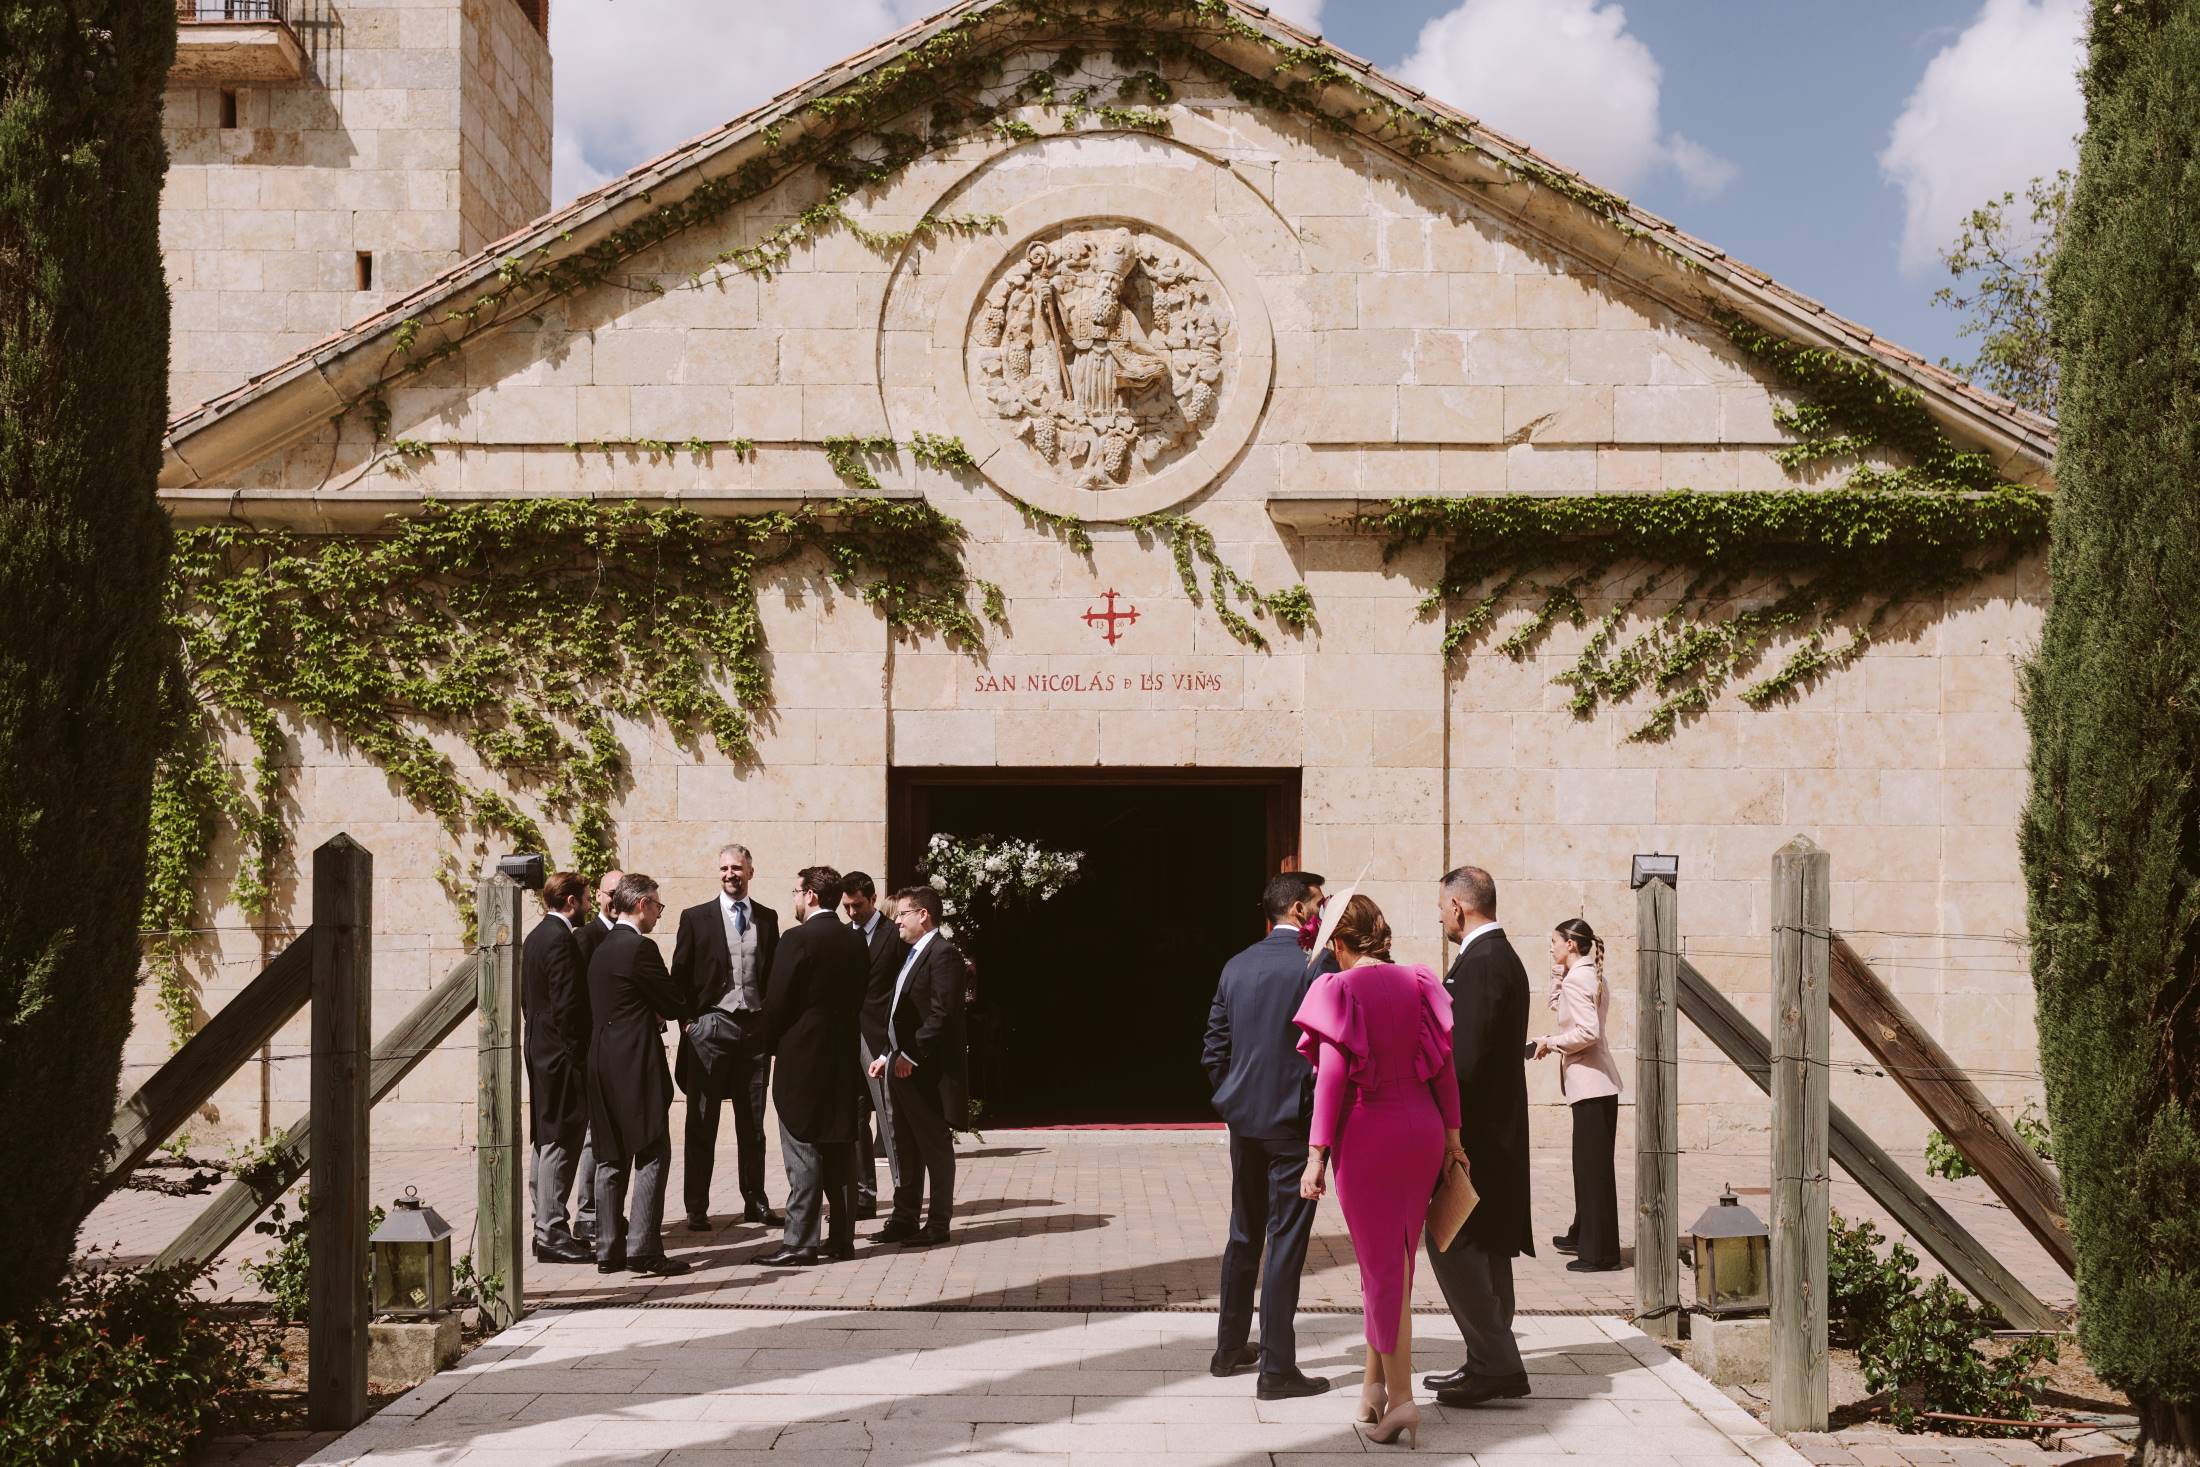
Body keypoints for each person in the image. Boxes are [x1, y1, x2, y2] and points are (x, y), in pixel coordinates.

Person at [1294, 895, 1462, 1449]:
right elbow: (1444, 1069)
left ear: (1339, 943)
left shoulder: (1338, 989)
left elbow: (1333, 1077)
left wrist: (1317, 1153)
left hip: (1370, 1134)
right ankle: (1372, 1388)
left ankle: (1403, 1401)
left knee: (1383, 1269)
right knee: (1393, 1266)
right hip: (1424, 1129)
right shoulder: (1418, 981)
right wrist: (1454, 1141)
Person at [1200, 871, 1333, 1401]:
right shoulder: (1314, 965)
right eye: (1319, 905)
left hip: (1245, 1121)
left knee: (1243, 1232)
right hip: (1294, 1123)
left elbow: (1214, 1045)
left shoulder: (1237, 964)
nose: (1323, 915)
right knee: (1285, 1242)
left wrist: (1231, 1094)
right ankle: (1276, 1368)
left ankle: (1230, 1345)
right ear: (1299, 910)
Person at [1424, 865, 1534, 1407]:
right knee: (1487, 1246)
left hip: (1479, 1136)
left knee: (1452, 1241)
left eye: (1442, 906)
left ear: (1460, 907)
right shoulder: (1499, 957)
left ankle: (1495, 1362)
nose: (1440, 915)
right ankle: (1488, 1360)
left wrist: (1449, 1136)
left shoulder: (1484, 964)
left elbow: (1461, 1062)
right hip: (1496, 1132)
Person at [758, 865, 869, 1266]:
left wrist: (767, 1045)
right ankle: (842, 1238)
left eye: (795, 891)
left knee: (802, 1148)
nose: (793, 899)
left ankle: (800, 1241)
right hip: (841, 1055)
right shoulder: (855, 941)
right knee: (839, 1148)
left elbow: (777, 1002)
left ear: (810, 896)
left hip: (802, 1058)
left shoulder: (797, 939)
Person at [584, 872, 692, 1276]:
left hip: (600, 1060)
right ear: (642, 903)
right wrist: (661, 1006)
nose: (658, 915)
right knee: (651, 1152)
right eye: (658, 906)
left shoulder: (602, 947)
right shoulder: (639, 948)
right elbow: (673, 1000)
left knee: (610, 1155)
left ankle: (608, 1249)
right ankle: (643, 1248)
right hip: (633, 1062)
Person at [669, 843, 780, 1230]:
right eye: (724, 868)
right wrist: (688, 1023)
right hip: (711, 1029)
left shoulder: (767, 918)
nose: (730, 874)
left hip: (753, 1030)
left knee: (752, 1122)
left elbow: (771, 977)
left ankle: (756, 1200)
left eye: (737, 868)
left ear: (751, 871)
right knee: (702, 1121)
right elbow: (678, 975)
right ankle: (696, 1206)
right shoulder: (695, 918)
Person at [874, 884, 968, 1247]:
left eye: (903, 914)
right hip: (901, 1066)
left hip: (925, 1072)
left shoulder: (943, 955)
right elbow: (900, 1011)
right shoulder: (910, 953)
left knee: (934, 1147)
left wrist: (911, 1056)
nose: (896, 921)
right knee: (905, 1147)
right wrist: (887, 1054)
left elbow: (942, 1014)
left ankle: (938, 1224)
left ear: (923, 915)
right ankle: (904, 1217)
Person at [1536, 917, 1622, 1272]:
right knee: (1590, 1168)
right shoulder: (1590, 975)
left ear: (1570, 944)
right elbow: (1559, 1006)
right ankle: (1582, 1233)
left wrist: (1550, 1042)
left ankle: (1598, 1254)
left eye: (1555, 943)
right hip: (1597, 1085)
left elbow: (1587, 1032)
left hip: (1590, 1085)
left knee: (1592, 1170)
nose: (1551, 948)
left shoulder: (1580, 979)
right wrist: (1559, 973)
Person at [522, 871, 594, 1264]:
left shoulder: (535, 937)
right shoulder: (562, 940)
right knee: (560, 1141)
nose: (588, 906)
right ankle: (550, 1230)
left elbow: (527, 1001)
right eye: (585, 898)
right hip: (560, 1057)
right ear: (570, 901)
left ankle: (545, 1226)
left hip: (539, 1050)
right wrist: (578, 1054)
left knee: (545, 1136)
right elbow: (568, 1008)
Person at [843, 873, 906, 1222]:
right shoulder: (841, 936)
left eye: (858, 905)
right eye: (847, 906)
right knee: (853, 1120)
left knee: (890, 1121)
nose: (852, 912)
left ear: (873, 898)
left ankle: (903, 1197)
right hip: (847, 1040)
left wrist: (891, 1046)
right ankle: (863, 1196)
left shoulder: (892, 936)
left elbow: (901, 990)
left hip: (881, 1040)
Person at [568, 866, 621, 1241]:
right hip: (595, 1048)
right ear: (599, 897)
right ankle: (588, 1213)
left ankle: (606, 1211)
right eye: (609, 893)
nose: (615, 899)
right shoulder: (586, 938)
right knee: (593, 1135)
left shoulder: (626, 935)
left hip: (621, 1051)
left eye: (622, 892)